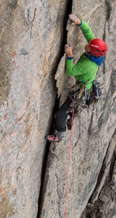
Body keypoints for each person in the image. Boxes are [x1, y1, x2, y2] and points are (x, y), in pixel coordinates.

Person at [46, 14, 108, 143]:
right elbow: (88, 32)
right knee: (74, 108)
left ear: (92, 51)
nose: (88, 43)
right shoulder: (95, 54)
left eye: (90, 45)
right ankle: (72, 117)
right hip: (88, 87)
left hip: (81, 90)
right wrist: (80, 22)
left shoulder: (88, 64)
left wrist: (69, 56)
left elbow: (71, 71)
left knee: (61, 113)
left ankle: (59, 135)